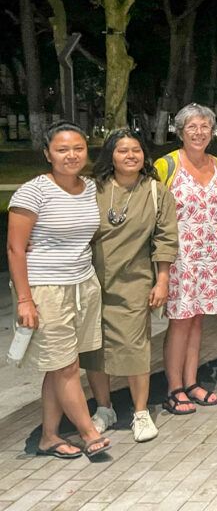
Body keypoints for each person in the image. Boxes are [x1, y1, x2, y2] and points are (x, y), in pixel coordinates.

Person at [6, 122, 110, 458]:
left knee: (63, 363)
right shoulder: (33, 192)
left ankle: (49, 436)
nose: (71, 155)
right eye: (62, 149)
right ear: (48, 154)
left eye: (78, 148)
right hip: (45, 288)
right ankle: (88, 433)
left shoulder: (91, 187)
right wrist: (25, 299)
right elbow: (15, 248)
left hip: (82, 284)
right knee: (64, 366)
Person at [81, 129, 178, 443]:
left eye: (136, 150)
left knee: (135, 348)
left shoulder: (155, 191)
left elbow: (165, 239)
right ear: (110, 154)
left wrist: (162, 280)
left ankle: (140, 412)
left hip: (135, 281)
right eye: (122, 150)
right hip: (92, 281)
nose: (130, 156)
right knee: (95, 349)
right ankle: (104, 408)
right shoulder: (92, 189)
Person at [156, 104, 217, 415]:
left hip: (209, 256)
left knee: (198, 320)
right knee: (180, 323)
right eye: (192, 127)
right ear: (180, 131)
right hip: (178, 259)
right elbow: (153, 214)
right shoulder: (166, 165)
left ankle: (191, 381)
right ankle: (173, 388)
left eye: (204, 127)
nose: (199, 133)